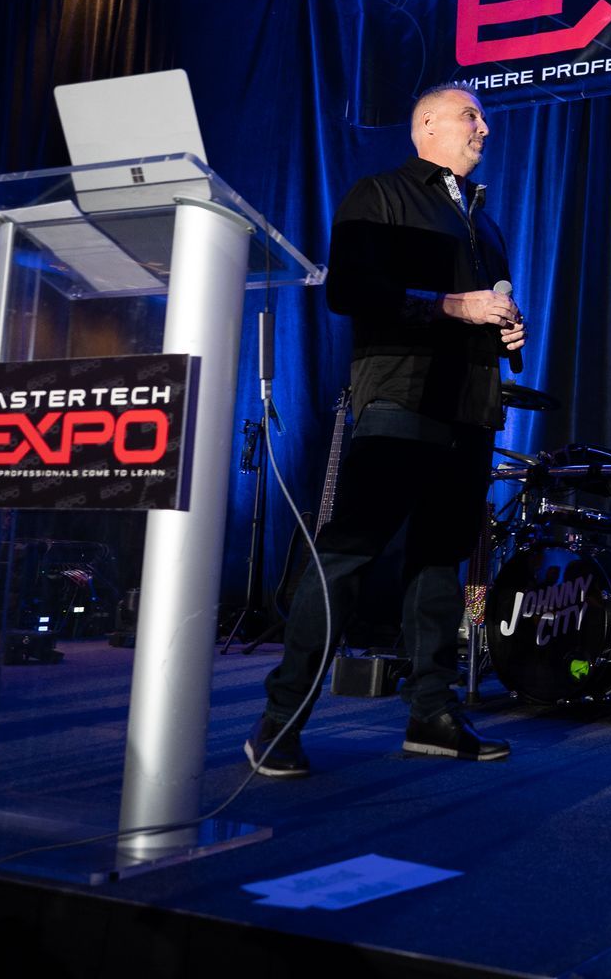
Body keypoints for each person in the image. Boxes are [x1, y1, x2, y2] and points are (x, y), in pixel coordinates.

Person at [246, 84, 525, 777]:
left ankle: (431, 714)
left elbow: (484, 310)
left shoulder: (482, 220)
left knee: (439, 565)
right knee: (347, 556)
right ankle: (280, 721)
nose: (484, 128)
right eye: (471, 116)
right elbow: (352, 292)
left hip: (469, 407)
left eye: (483, 119)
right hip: (401, 399)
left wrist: (509, 330)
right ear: (426, 125)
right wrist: (453, 306)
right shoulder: (383, 193)